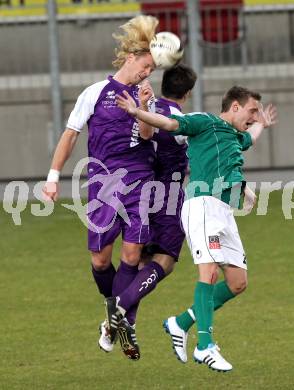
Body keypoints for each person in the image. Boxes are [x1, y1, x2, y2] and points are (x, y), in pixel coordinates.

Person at [116, 85, 277, 371]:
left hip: (224, 212)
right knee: (210, 272)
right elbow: (168, 123)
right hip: (202, 207)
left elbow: (249, 138)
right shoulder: (205, 122)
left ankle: (181, 323)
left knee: (238, 282)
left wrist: (261, 125)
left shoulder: (235, 136)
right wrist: (136, 111)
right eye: (252, 110)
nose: (254, 116)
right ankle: (205, 346)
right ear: (235, 107)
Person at [42, 15, 160, 361]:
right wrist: (53, 177)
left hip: (139, 181)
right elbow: (70, 135)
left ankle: (121, 324)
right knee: (100, 259)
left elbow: (150, 136)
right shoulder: (95, 93)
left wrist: (143, 109)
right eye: (146, 66)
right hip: (103, 185)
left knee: (133, 256)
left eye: (153, 70)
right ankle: (116, 317)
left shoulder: (145, 98)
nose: (147, 74)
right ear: (130, 58)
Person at [101, 64, 197, 349]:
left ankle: (119, 325)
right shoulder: (181, 121)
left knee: (140, 260)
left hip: (138, 192)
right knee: (164, 262)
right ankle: (118, 312)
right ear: (187, 93)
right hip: (167, 196)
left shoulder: (144, 106)